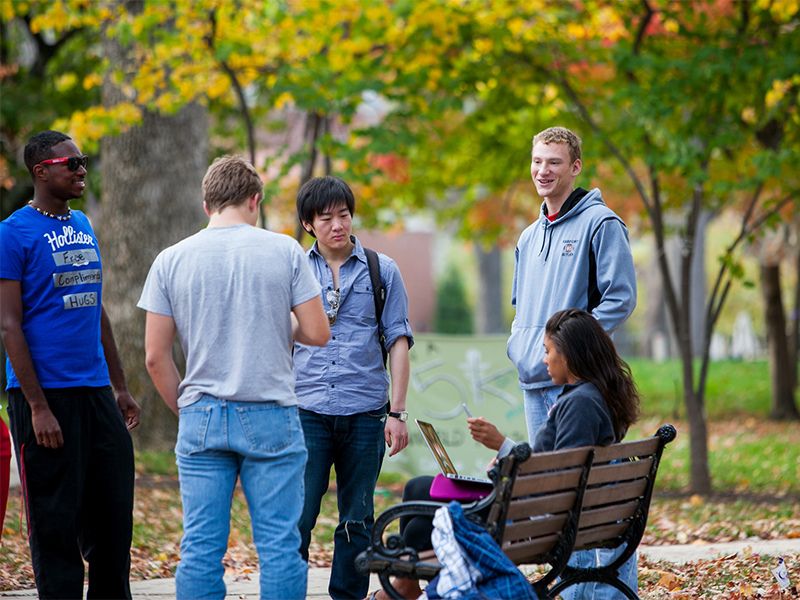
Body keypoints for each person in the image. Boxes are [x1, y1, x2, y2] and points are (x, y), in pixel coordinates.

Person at [138, 156, 330, 600]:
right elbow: (318, 332)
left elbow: (154, 357)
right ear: (254, 201)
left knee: (201, 546)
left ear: (207, 205)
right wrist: (282, 324)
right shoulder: (284, 250)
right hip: (270, 413)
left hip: (201, 413)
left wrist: (186, 407)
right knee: (280, 546)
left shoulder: (170, 260)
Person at [385, 309, 641, 600]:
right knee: (419, 489)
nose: (544, 359)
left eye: (548, 351)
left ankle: (402, 589)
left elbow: (561, 478)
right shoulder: (594, 396)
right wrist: (506, 451)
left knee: (420, 506)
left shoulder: (580, 404)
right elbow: (558, 464)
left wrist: (509, 470)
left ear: (568, 355)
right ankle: (405, 587)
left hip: (531, 518)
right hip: (535, 509)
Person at [0, 130, 140, 599]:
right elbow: (8, 326)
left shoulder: (82, 223)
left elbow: (95, 307)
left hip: (95, 389)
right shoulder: (12, 232)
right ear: (42, 171)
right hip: (44, 395)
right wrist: (37, 406)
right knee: (55, 522)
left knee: (113, 516)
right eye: (72, 163)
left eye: (83, 162)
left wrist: (118, 386)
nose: (82, 170)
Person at [294, 176, 414, 599]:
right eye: (325, 218)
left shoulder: (383, 270)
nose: (337, 225)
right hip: (305, 410)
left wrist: (397, 413)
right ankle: (288, 590)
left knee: (358, 518)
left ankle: (347, 596)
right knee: (299, 514)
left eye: (343, 215)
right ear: (309, 224)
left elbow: (397, 342)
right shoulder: (294, 268)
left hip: (365, 412)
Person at [507, 126, 637, 441]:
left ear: (575, 167)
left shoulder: (601, 223)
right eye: (537, 162)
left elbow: (620, 298)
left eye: (554, 162)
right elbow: (521, 309)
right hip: (532, 381)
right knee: (546, 481)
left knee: (576, 480)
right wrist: (519, 349)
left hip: (575, 383)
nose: (542, 171)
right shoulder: (527, 237)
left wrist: (572, 347)